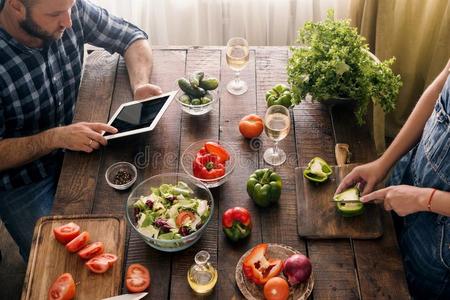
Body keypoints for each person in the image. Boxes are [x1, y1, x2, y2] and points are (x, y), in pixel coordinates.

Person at [0, 0, 162, 261]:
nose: (69, 22)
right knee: (53, 261)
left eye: (70, 8)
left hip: (81, 146)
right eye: (55, 14)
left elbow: (132, 37)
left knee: (140, 228)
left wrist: (140, 84)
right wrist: (55, 137)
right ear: (16, 5)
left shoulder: (67, 9)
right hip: (23, 179)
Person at [337, 59, 450, 299]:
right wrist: (384, 162)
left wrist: (424, 199)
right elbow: (439, 90)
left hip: (439, 239)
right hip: (409, 178)